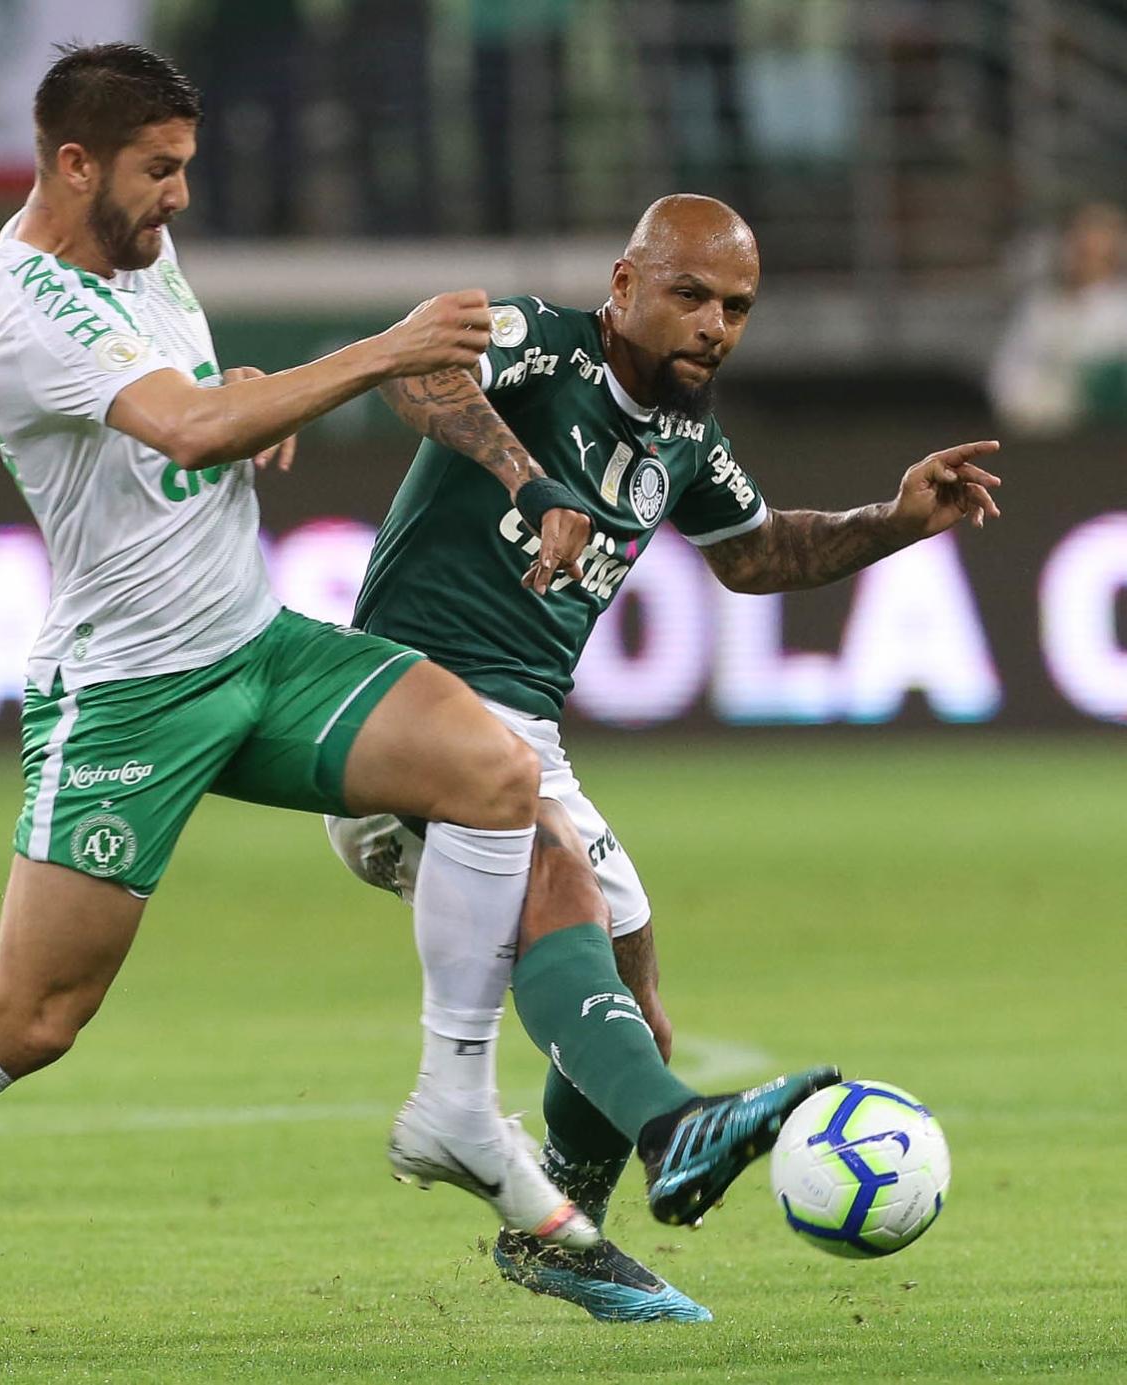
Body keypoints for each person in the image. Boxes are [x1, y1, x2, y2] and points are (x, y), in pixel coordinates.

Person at [0, 42, 611, 1353]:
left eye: (185, 166)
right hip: (129, 694)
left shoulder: (134, 249)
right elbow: (179, 430)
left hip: (255, 645)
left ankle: (454, 1104)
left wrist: (244, 394)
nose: (179, 195)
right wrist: (381, 352)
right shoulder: (25, 305)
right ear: (75, 164)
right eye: (159, 170)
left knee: (494, 774)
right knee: (33, 1014)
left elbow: (192, 404)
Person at [328, 193, 1003, 1321]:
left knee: (635, 994)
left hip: (519, 737)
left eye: (734, 306)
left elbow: (758, 554)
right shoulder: (541, 342)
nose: (711, 324)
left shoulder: (685, 438)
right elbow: (415, 369)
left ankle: (557, 1229)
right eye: (688, 294)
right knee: (565, 888)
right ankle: (672, 1127)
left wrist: (892, 518)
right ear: (624, 282)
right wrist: (519, 475)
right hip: (409, 710)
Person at [988, 202, 1127, 435]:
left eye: (1097, 239)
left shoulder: (1121, 308)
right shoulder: (1039, 306)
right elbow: (1006, 373)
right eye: (1078, 239)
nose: (1085, 248)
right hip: (1041, 438)